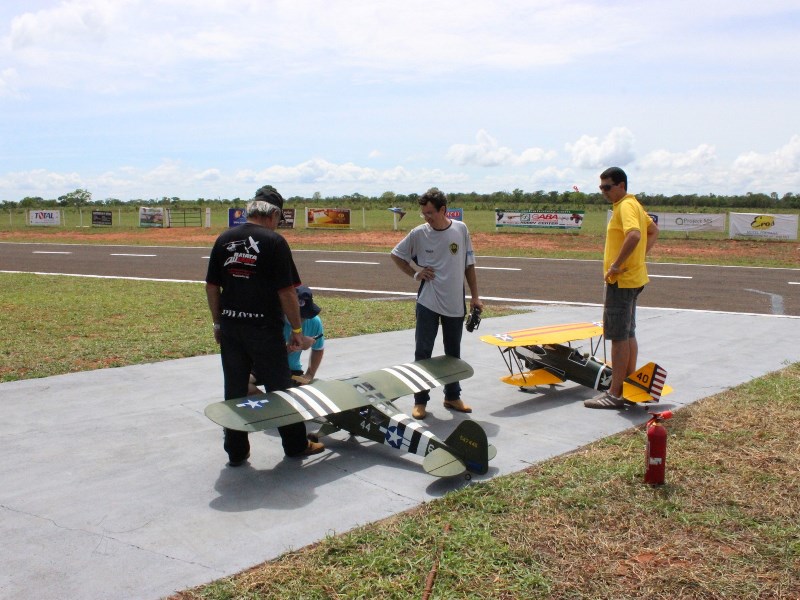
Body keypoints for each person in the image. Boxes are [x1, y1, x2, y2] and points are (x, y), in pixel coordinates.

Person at [205, 186, 325, 465]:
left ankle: (236, 452)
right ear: (273, 214)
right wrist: (296, 330)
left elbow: (212, 286)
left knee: (234, 390)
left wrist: (217, 322)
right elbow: (287, 292)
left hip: (232, 329)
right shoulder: (274, 241)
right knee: (279, 389)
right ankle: (295, 445)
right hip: (264, 330)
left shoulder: (224, 238)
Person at [390, 187, 483, 420]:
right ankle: (420, 401)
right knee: (423, 352)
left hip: (455, 303)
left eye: (430, 213)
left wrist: (475, 296)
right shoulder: (419, 233)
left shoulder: (460, 230)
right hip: (428, 303)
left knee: (453, 353)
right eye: (423, 213)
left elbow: (469, 265)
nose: (426, 217)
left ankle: (452, 396)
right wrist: (416, 272)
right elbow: (396, 255)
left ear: (443, 210)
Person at [585, 167, 659, 409]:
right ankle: (629, 387)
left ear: (621, 185)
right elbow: (653, 230)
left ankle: (614, 394)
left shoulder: (626, 206)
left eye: (607, 187)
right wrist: (638, 258)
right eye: (601, 188)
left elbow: (636, 235)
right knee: (628, 334)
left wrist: (617, 265)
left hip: (621, 281)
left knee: (617, 336)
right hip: (634, 279)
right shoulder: (633, 204)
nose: (604, 192)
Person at [248, 285, 325, 394]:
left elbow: (318, 349)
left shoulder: (314, 322)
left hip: (291, 369)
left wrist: (310, 374)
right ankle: (269, 405)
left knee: (294, 394)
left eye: (304, 316)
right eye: (297, 315)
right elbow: (267, 355)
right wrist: (291, 347)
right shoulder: (271, 320)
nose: (301, 320)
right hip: (263, 365)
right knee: (241, 383)